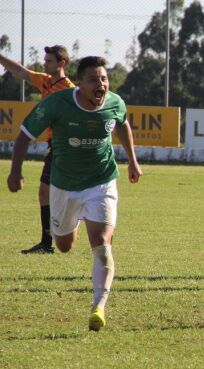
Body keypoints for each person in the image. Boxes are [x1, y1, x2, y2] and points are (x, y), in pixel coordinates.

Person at [7, 56, 143, 331]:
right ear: (79, 83)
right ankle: (75, 221)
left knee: (102, 243)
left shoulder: (115, 102)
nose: (101, 84)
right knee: (64, 245)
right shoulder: (57, 103)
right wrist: (15, 172)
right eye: (93, 79)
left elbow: (123, 124)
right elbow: (23, 134)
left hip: (101, 181)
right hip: (64, 185)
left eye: (104, 79)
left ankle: (99, 307)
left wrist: (133, 160)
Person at [0, 45, 75, 254]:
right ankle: (46, 243)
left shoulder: (69, 90)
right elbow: (20, 72)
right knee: (45, 192)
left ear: (62, 63)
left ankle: (53, 239)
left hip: (64, 147)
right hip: (54, 146)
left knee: (58, 193)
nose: (45, 63)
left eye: (49, 61)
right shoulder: (46, 81)